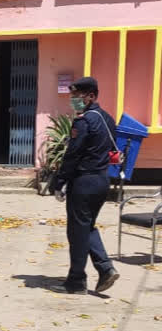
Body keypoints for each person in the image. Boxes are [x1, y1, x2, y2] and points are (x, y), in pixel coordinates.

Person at [50, 76, 120, 294]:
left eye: (77, 96)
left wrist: (59, 180)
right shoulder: (107, 119)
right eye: (72, 96)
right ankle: (105, 268)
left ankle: (76, 280)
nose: (73, 100)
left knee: (77, 231)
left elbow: (73, 154)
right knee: (86, 226)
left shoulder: (84, 121)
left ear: (90, 96)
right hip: (101, 180)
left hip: (83, 181)